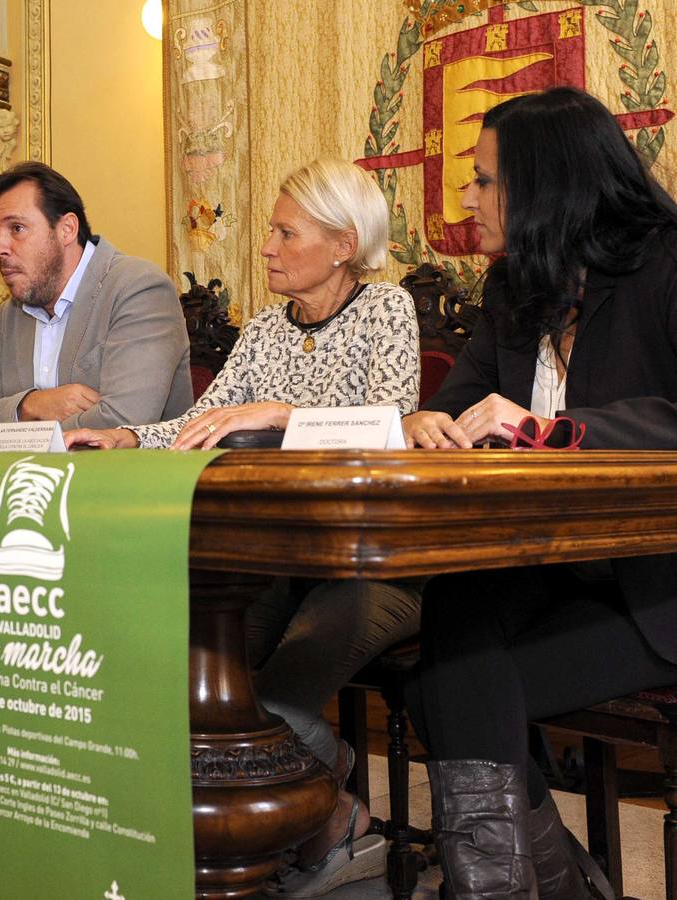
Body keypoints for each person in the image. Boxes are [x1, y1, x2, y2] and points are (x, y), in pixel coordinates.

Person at [68, 158, 420, 896]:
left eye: (284, 232)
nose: (264, 246)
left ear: (342, 243)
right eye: (268, 230)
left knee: (271, 707)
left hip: (370, 561)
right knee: (184, 682)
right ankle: (335, 812)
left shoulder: (387, 311)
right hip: (272, 559)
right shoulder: (264, 330)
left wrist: (278, 415)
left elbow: (390, 428)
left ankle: (300, 818)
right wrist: (132, 438)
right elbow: (204, 421)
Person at [403, 86, 677, 899]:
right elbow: (458, 404)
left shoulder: (665, 265)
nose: (467, 197)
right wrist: (425, 420)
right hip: (547, 568)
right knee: (455, 615)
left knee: (444, 689)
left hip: (656, 583)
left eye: (484, 180)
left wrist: (549, 428)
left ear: (547, 186)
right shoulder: (515, 290)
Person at [0, 162, 193, 452]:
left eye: (16, 228)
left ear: (66, 229)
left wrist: (8, 432)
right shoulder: (12, 314)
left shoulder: (138, 288)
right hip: (31, 489)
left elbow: (122, 423)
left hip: (129, 490)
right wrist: (32, 404)